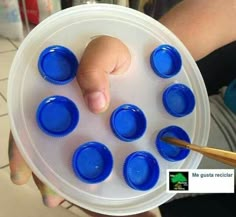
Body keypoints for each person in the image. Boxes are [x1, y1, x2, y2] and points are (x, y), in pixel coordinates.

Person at [8, 0, 236, 216]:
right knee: (158, 180)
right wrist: (139, 53)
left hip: (229, 175)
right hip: (228, 121)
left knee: (153, 185)